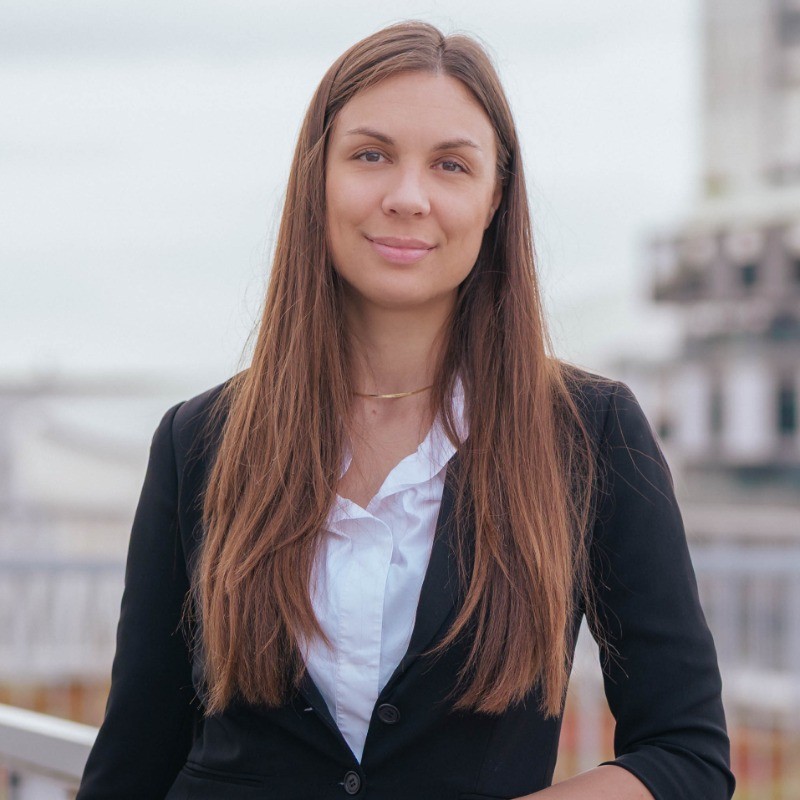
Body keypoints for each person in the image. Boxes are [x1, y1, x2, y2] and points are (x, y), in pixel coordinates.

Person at [76, 21, 734, 800]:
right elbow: (133, 760)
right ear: (317, 177)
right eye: (371, 155)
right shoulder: (200, 440)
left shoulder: (589, 434)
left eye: (451, 165)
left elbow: (687, 755)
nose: (407, 197)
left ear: (496, 199)